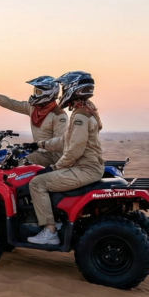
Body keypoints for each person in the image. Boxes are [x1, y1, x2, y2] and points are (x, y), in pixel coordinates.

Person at [25, 71, 105, 245]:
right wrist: (39, 145)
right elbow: (64, 141)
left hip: (85, 169)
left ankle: (50, 231)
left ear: (73, 88)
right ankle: (58, 220)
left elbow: (74, 149)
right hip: (87, 167)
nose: (62, 92)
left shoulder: (80, 115)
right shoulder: (84, 110)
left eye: (64, 88)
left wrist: (55, 167)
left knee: (37, 183)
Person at [0, 77, 69, 166]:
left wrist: (37, 145)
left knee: (18, 166)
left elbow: (59, 143)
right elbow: (12, 104)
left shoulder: (59, 116)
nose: (35, 94)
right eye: (35, 91)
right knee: (9, 158)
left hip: (52, 155)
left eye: (38, 92)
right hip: (37, 150)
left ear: (49, 94)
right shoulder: (33, 108)